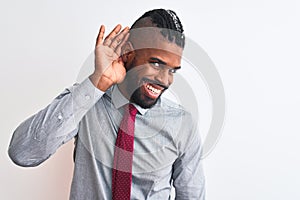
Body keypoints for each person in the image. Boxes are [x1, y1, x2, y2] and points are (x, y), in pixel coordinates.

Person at [8, 8, 205, 199]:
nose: (164, 80)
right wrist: (97, 82)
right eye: (156, 63)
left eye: (172, 70)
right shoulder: (85, 101)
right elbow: (22, 153)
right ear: (128, 53)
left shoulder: (182, 125)